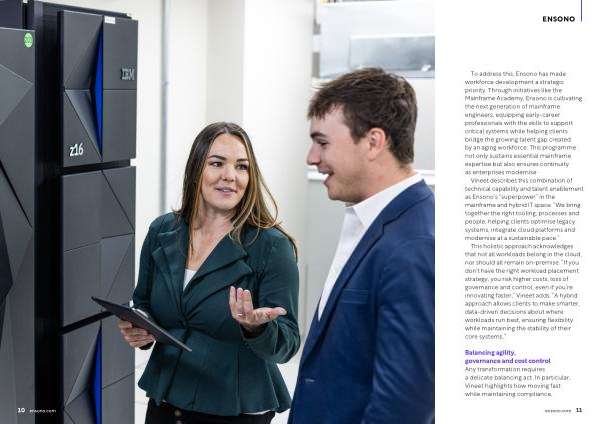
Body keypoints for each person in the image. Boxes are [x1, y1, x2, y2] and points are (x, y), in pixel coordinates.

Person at [118, 122, 300, 424]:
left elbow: (288, 344)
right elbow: (144, 302)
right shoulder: (161, 231)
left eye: (241, 167)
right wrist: (142, 326)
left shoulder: (271, 246)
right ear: (195, 170)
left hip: (234, 408)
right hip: (167, 397)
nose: (230, 175)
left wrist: (257, 329)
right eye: (217, 163)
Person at [288, 68, 435, 423]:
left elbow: (404, 408)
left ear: (373, 142)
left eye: (323, 143)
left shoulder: (414, 246)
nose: (311, 157)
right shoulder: (371, 219)